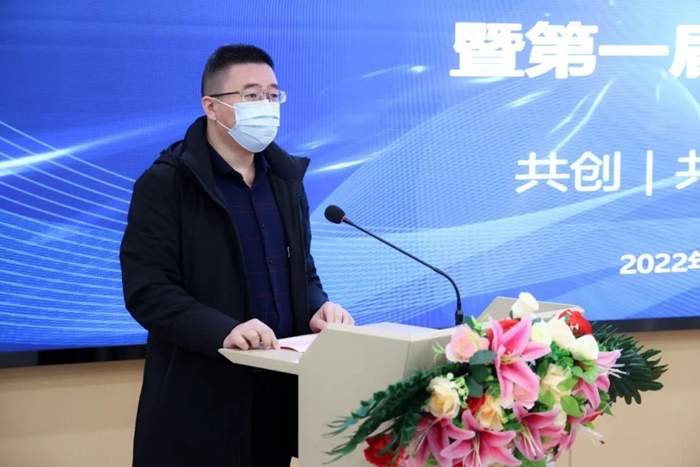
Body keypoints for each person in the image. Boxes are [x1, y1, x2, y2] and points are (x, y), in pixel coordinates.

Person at [119, 44, 354, 467]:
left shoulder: (285, 181)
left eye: (273, 95)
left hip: (276, 399)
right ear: (212, 106)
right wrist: (224, 330)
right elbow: (148, 291)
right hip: (200, 402)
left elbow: (301, 271)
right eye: (251, 95)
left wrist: (319, 307)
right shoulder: (167, 185)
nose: (266, 105)